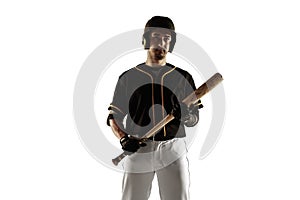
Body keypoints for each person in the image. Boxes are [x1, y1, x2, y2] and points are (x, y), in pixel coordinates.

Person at [107, 16, 203, 200]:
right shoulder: (128, 77)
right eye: (156, 36)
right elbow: (114, 116)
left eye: (167, 38)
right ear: (146, 39)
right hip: (139, 147)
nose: (161, 42)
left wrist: (185, 116)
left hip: (172, 147)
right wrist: (123, 139)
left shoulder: (183, 77)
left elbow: (195, 118)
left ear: (172, 43)